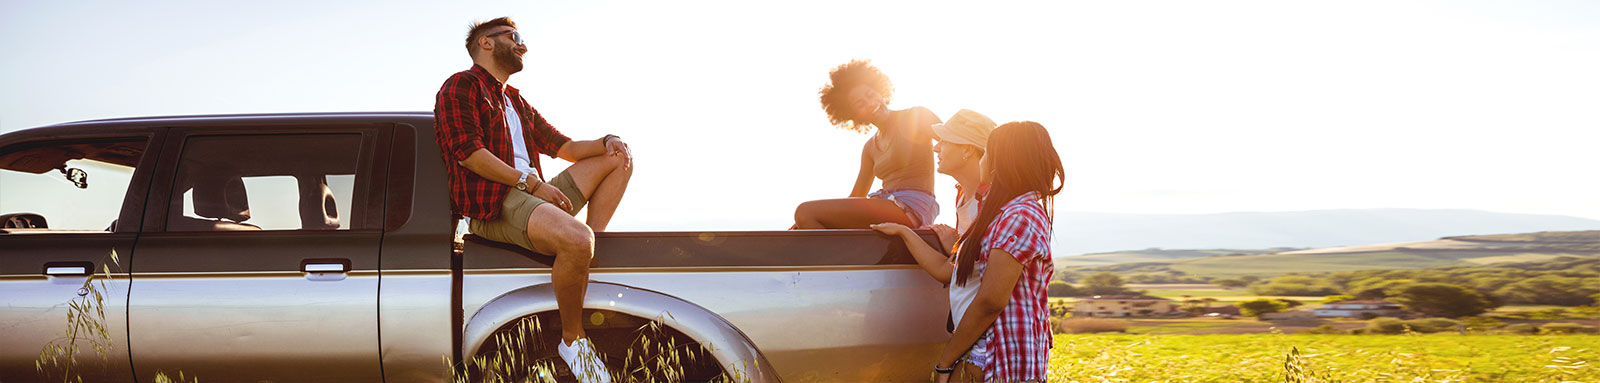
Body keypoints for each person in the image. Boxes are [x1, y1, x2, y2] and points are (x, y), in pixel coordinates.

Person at [433, 17, 633, 382]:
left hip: (531, 193)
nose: (523, 46)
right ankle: (573, 339)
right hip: (494, 202)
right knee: (575, 239)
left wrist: (608, 139)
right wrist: (530, 184)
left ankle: (590, 247)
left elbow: (565, 147)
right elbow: (468, 153)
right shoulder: (461, 85)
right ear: (487, 44)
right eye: (515, 37)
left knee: (617, 159)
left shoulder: (513, 99)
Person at [872, 121, 1062, 382]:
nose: (982, 161)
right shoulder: (1001, 214)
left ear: (1000, 162)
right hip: (988, 353)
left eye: (987, 154)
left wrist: (945, 362)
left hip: (1002, 357)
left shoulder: (1019, 216)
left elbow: (990, 301)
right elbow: (949, 271)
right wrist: (906, 233)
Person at [793, 59, 942, 229]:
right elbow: (857, 196)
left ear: (880, 90)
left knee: (804, 211)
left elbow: (953, 141)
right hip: (882, 204)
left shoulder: (916, 116)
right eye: (860, 104)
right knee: (805, 217)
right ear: (855, 116)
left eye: (870, 95)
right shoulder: (870, 147)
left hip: (914, 206)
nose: (871, 103)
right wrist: (809, 219)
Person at [930, 109, 998, 250]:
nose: (935, 148)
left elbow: (977, 264)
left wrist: (954, 248)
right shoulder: (962, 196)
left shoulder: (994, 201)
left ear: (967, 150)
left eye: (944, 141)